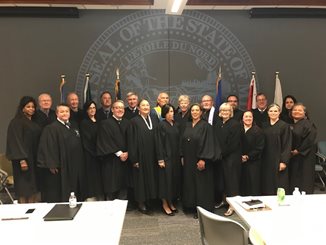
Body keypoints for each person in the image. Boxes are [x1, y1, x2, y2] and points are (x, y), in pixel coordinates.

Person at [38, 104, 86, 202]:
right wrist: (52, 164)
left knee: (76, 188)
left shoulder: (74, 125)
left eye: (66, 111)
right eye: (62, 111)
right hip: (62, 166)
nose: (65, 113)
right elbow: (48, 147)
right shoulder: (51, 128)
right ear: (57, 113)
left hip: (75, 164)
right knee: (62, 190)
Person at [181, 103, 215, 218]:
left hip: (200, 160)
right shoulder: (187, 125)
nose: (194, 112)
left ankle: (201, 209)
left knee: (201, 185)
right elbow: (183, 141)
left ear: (201, 112)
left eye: (197, 110)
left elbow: (209, 143)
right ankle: (191, 206)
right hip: (189, 159)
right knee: (190, 183)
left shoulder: (206, 126)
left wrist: (203, 159)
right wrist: (182, 156)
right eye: (193, 110)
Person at [6, 96, 41, 203]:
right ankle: (24, 209)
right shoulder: (16, 122)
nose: (31, 109)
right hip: (23, 160)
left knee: (33, 187)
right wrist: (22, 159)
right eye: (28, 107)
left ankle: (32, 208)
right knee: (24, 188)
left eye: (33, 107)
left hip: (33, 159)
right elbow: (15, 141)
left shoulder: (33, 121)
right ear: (22, 108)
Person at [128, 99, 159, 214]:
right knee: (141, 180)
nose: (146, 107)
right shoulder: (134, 121)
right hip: (140, 157)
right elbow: (131, 141)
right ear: (139, 108)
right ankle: (141, 203)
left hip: (152, 156)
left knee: (151, 178)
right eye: (143, 105)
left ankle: (150, 200)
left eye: (147, 105)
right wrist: (134, 159)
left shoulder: (154, 120)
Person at [97, 100, 130, 200]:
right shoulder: (105, 124)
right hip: (111, 161)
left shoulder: (128, 123)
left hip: (126, 161)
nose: (120, 110)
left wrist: (128, 152)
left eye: (121, 108)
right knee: (112, 188)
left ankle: (121, 210)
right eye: (117, 107)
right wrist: (120, 154)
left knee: (124, 188)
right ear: (112, 110)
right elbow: (105, 141)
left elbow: (132, 140)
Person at [214, 102, 242, 216]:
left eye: (227, 111)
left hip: (231, 158)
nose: (224, 112)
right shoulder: (218, 123)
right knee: (223, 181)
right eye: (223, 110)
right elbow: (215, 139)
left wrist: (221, 153)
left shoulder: (235, 124)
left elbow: (233, 144)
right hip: (220, 157)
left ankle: (232, 206)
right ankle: (224, 201)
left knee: (232, 182)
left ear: (231, 112)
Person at [155, 104, 181, 216]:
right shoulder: (161, 125)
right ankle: (165, 203)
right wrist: (160, 159)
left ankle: (171, 201)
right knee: (165, 181)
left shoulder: (176, 125)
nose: (171, 114)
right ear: (164, 113)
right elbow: (158, 143)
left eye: (172, 111)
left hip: (175, 158)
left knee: (173, 181)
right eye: (169, 112)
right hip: (165, 158)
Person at [261, 103, 292, 195]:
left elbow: (287, 144)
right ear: (268, 113)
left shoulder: (284, 126)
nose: (273, 113)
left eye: (275, 111)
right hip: (266, 159)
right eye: (271, 111)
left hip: (278, 159)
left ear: (279, 113)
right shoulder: (264, 125)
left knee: (279, 183)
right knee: (267, 182)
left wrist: (283, 161)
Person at [289, 103, 317, 194]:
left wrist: (298, 150)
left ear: (305, 113)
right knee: (294, 180)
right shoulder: (292, 125)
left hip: (305, 157)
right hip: (294, 157)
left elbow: (309, 139)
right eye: (294, 110)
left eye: (300, 110)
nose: (297, 111)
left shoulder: (309, 124)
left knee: (304, 180)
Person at [80, 100, 103, 200]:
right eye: (90, 108)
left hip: (101, 154)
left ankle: (100, 196)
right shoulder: (84, 123)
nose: (92, 110)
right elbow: (86, 141)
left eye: (94, 108)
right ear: (86, 110)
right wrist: (95, 153)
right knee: (92, 177)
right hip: (90, 155)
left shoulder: (99, 121)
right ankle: (92, 197)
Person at [240, 111, 265, 196]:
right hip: (239, 162)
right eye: (246, 116)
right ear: (242, 118)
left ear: (253, 118)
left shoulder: (258, 131)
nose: (248, 118)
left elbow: (259, 148)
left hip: (253, 162)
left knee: (253, 185)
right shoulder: (238, 129)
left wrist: (247, 156)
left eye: (250, 117)